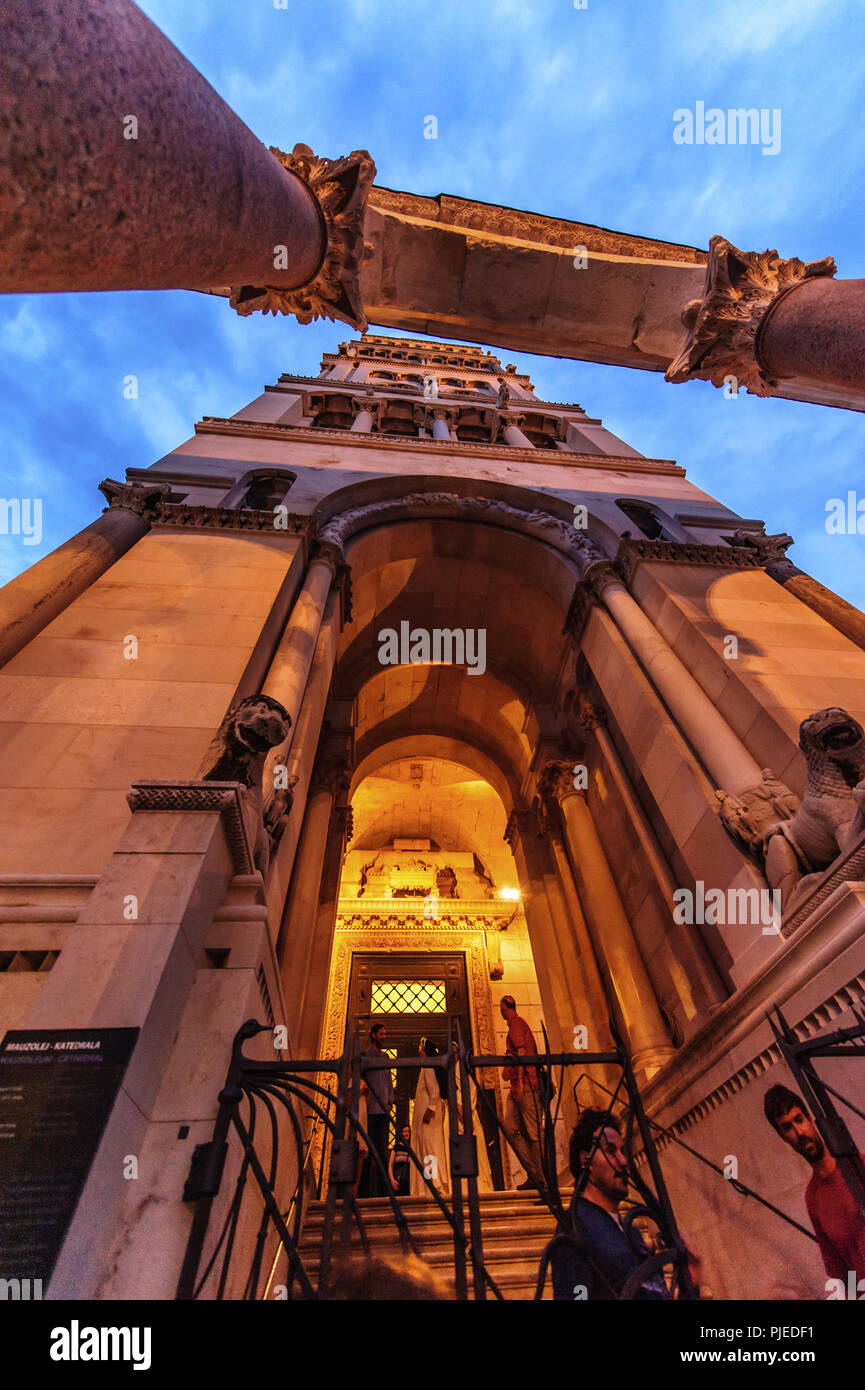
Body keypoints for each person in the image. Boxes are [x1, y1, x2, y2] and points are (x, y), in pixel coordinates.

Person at [550, 1108, 670, 1300]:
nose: (623, 1161)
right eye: (610, 1151)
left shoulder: (632, 1231)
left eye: (623, 1151)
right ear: (585, 1159)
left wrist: (691, 1281)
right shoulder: (576, 1227)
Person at [764, 1083, 865, 1285]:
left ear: (811, 1120)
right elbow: (842, 1272)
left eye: (799, 1120)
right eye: (787, 1127)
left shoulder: (859, 1165)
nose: (799, 1132)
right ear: (782, 1136)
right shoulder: (813, 1198)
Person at [499, 995, 546, 1193]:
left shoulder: (516, 1024)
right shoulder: (514, 1025)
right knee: (510, 1128)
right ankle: (533, 1173)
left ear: (504, 1007)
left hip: (525, 1085)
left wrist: (517, 1084)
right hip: (517, 1085)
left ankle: (542, 1179)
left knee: (534, 1135)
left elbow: (521, 1053)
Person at [410, 1037, 451, 1197]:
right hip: (426, 1114)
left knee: (429, 1149)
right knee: (428, 1148)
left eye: (420, 1048)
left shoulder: (428, 1066)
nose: (419, 1051)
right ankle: (428, 1184)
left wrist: (429, 1111)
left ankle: (433, 1183)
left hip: (428, 1116)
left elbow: (434, 1092)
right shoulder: (425, 1067)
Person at [451, 1041, 494, 1193]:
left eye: (455, 1051)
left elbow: (472, 1089)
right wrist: (457, 1107)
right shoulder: (448, 1070)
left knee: (475, 1145)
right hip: (453, 1113)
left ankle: (479, 1186)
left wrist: (467, 1110)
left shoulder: (466, 1070)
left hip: (469, 1111)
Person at [361, 1022, 394, 1197]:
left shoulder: (386, 1057)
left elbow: (388, 1079)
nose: (384, 1037)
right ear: (373, 1035)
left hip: (383, 1111)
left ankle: (383, 1192)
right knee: (367, 1152)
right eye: (381, 1034)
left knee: (382, 1152)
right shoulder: (365, 1057)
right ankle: (365, 1192)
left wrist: (391, 1100)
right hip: (369, 1111)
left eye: (385, 1033)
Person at [389, 1123, 412, 1197]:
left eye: (408, 1132)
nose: (406, 1133)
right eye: (404, 1131)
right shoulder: (396, 1147)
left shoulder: (412, 1147)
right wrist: (392, 1180)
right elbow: (390, 1166)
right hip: (397, 1181)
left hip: (408, 1183)